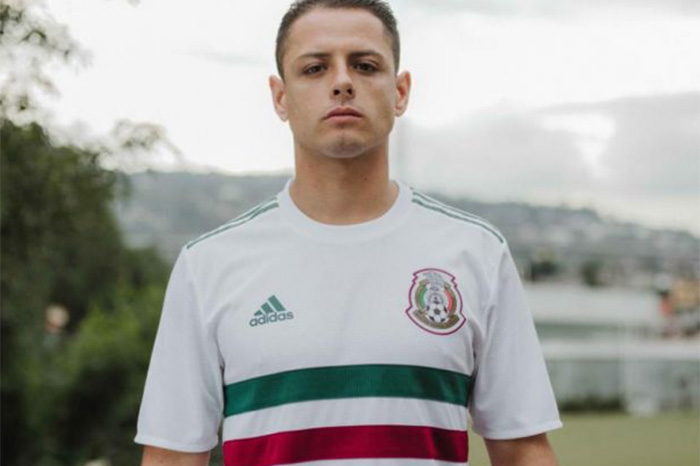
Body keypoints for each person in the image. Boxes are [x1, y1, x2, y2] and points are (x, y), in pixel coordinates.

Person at [135, 1, 563, 465]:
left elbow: (523, 451)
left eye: (365, 65)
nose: (342, 82)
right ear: (280, 97)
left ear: (400, 91)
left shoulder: (476, 253)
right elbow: (171, 457)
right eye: (315, 68)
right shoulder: (208, 265)